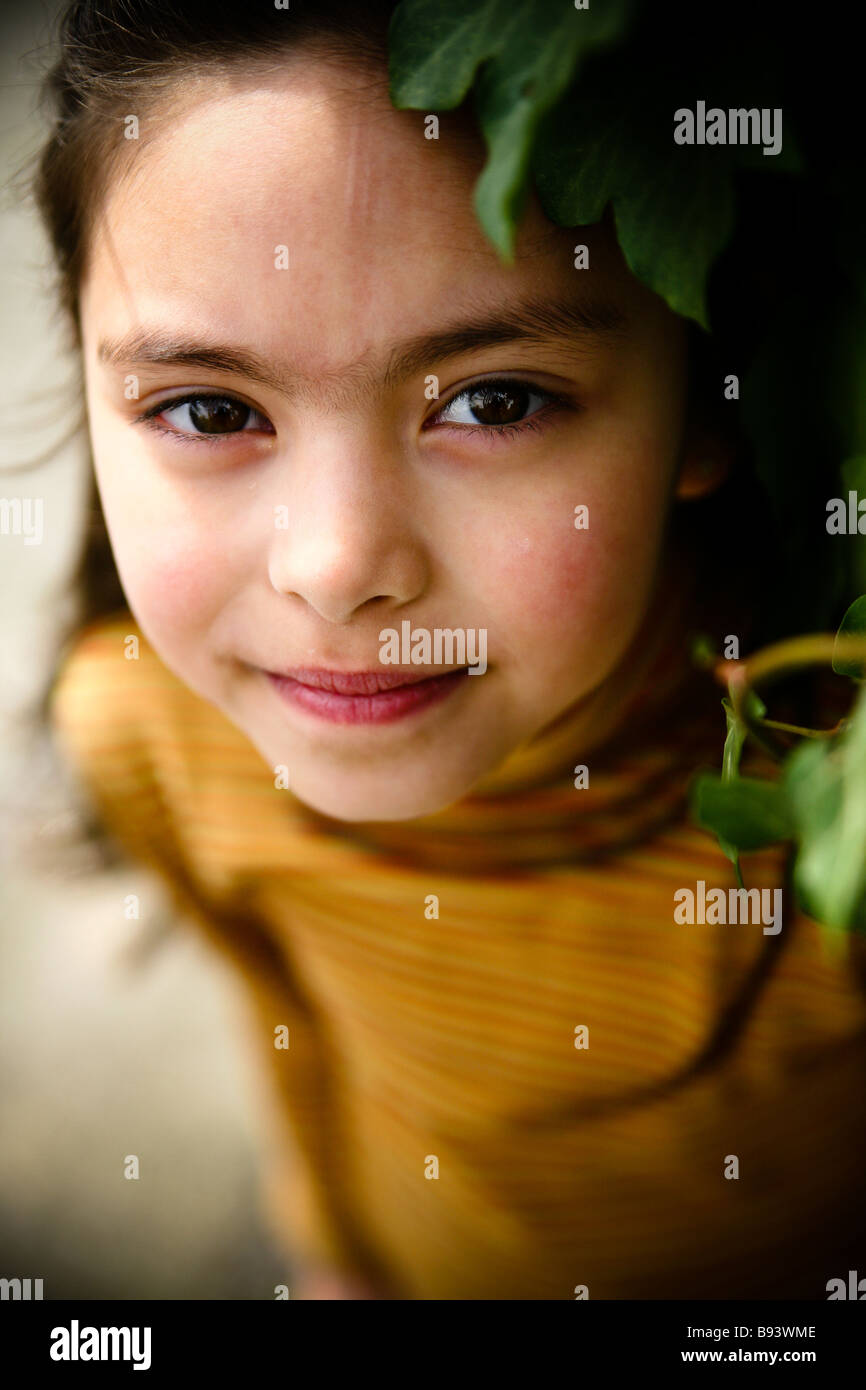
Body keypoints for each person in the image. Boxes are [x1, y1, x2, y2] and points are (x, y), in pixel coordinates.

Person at [36, 0, 866, 1298]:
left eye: (494, 401)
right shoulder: (142, 730)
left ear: (716, 395)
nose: (336, 565)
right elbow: (293, 1030)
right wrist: (329, 1251)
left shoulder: (836, 792)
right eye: (208, 407)